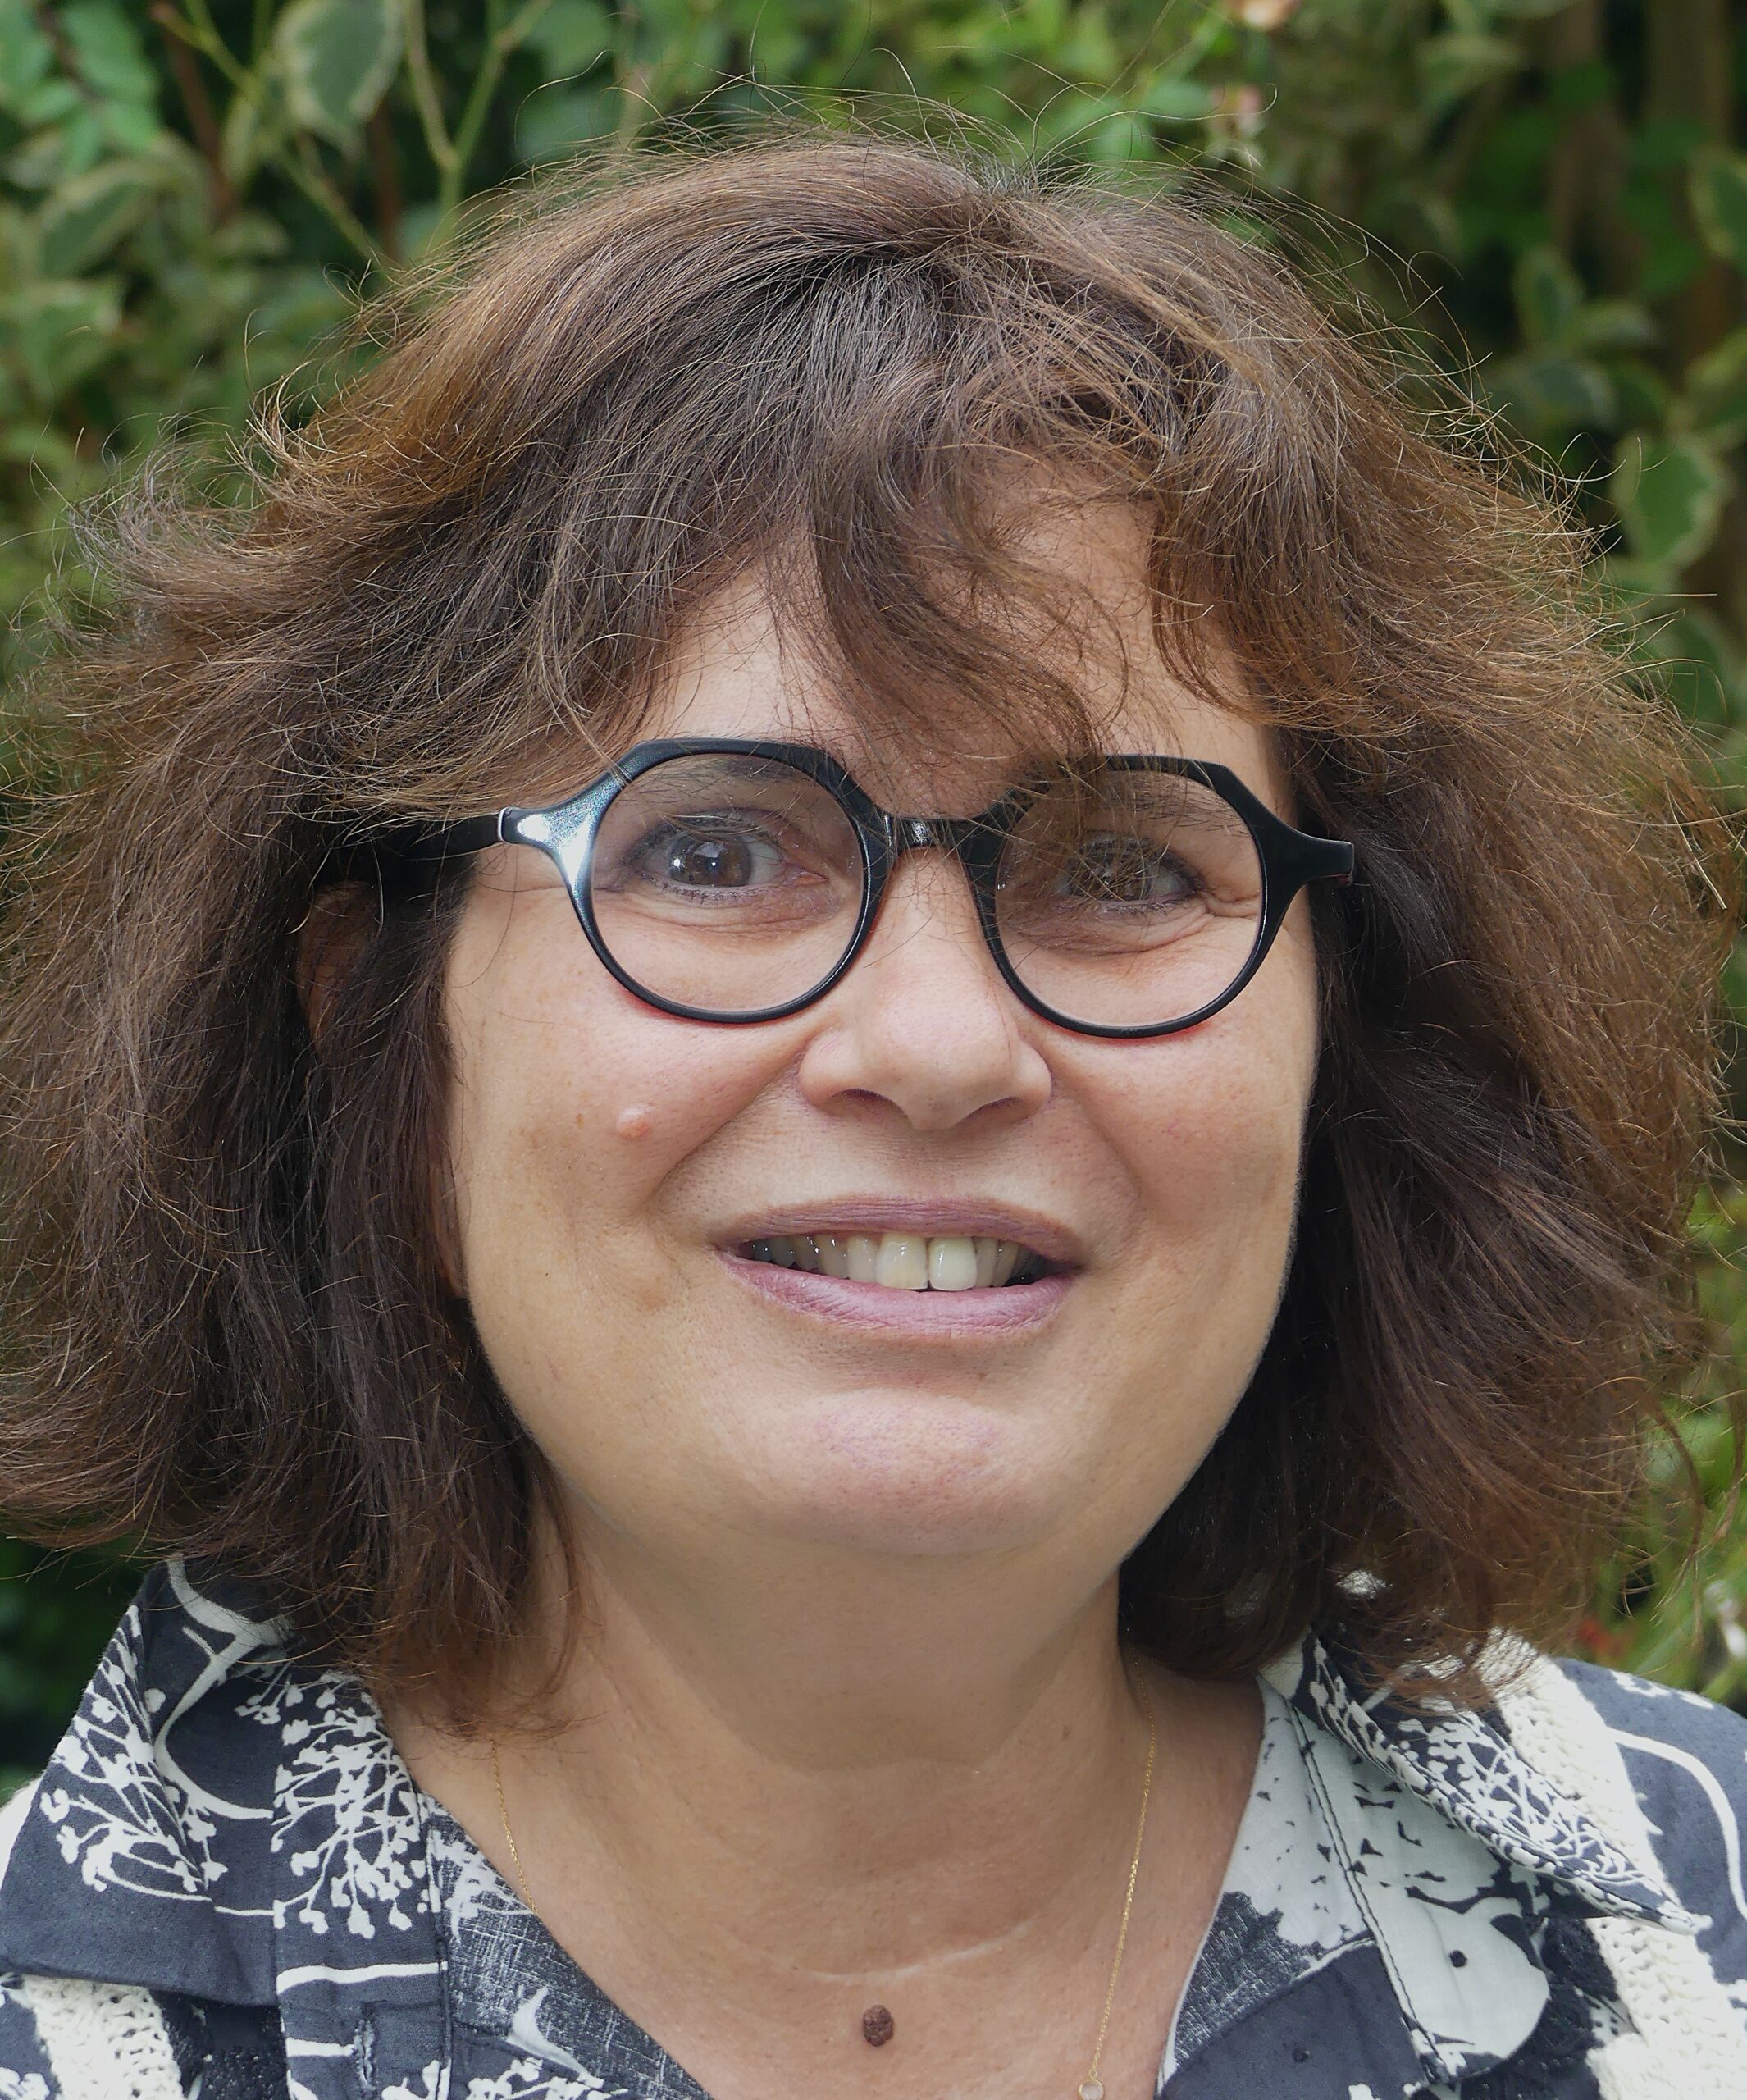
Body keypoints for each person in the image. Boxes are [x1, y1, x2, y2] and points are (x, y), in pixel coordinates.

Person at [0, 127, 1743, 2100]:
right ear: (379, 1045)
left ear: (1352, 1047)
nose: (936, 1040)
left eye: (1126, 868)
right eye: (715, 851)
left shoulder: (1705, 1960)